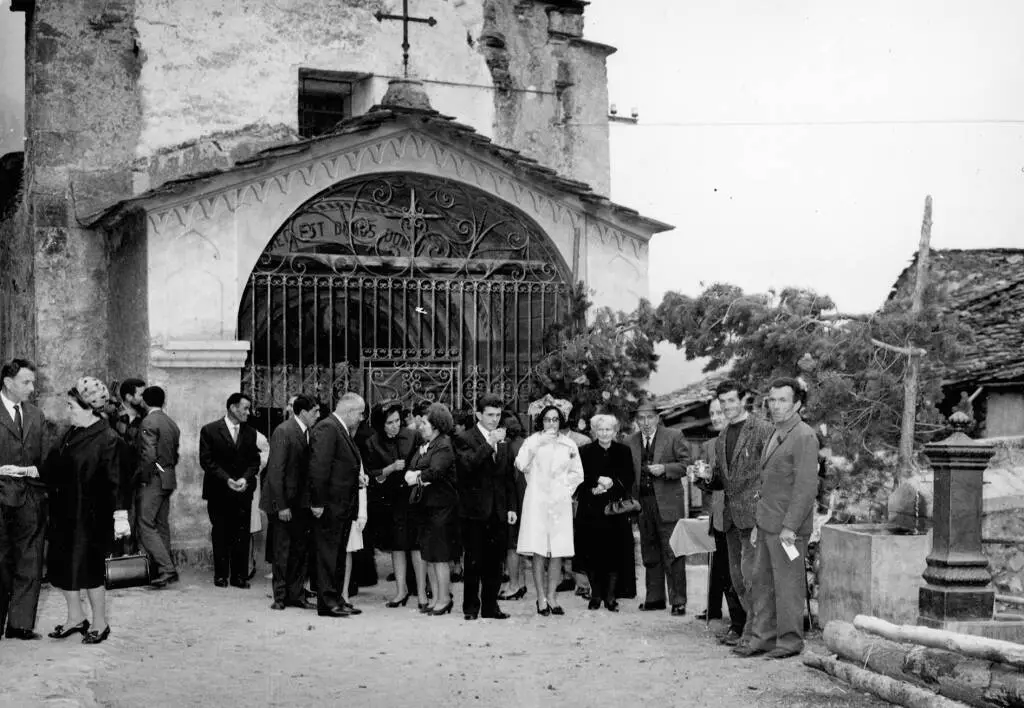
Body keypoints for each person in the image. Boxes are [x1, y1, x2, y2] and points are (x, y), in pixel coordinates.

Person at [734, 378, 819, 660]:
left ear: (797, 403)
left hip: (787, 530)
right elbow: (768, 484)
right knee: (763, 584)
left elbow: (805, 488)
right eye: (772, 399)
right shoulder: (776, 432)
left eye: (783, 400)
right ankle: (765, 638)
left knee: (788, 587)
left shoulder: (804, 436)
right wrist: (759, 524)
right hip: (768, 524)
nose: (776, 405)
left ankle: (790, 642)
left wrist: (790, 527)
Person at [45, 377, 131, 645]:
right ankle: (75, 618)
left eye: (71, 406)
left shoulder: (109, 439)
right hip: (65, 513)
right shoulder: (71, 433)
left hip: (91, 518)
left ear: (89, 408)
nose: (67, 411)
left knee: (90, 572)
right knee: (64, 568)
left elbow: (119, 481)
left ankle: (100, 622)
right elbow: (54, 465)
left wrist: (120, 517)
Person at [696, 379, 773, 647]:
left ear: (744, 398)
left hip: (755, 519)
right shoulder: (722, 436)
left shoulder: (764, 430)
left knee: (754, 580)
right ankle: (752, 632)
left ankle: (758, 636)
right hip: (729, 519)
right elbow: (721, 480)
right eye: (723, 402)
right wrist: (705, 478)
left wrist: (764, 512)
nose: (727, 406)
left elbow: (772, 474)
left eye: (731, 400)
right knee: (739, 581)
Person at [515, 403, 584, 616]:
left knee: (557, 550)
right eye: (547, 419)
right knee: (538, 550)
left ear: (561, 421)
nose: (551, 423)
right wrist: (537, 445)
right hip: (537, 501)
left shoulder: (569, 444)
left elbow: (577, 473)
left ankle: (553, 596)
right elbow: (520, 463)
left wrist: (565, 489)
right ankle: (541, 598)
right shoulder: (532, 441)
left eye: (555, 419)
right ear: (541, 421)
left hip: (559, 503)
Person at [454, 394, 517, 621]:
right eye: (490, 415)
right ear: (479, 415)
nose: (494, 419)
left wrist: (511, 507)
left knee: (495, 562)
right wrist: (489, 443)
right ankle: (471, 608)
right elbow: (468, 466)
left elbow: (507, 477)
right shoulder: (464, 438)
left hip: (498, 510)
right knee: (473, 561)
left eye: (498, 415)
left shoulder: (504, 440)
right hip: (473, 511)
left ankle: (491, 607)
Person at [627, 400, 691, 615]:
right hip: (643, 504)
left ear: (657, 418)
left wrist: (664, 468)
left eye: (649, 417)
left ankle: (678, 600)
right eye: (641, 418)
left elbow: (686, 465)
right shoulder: (630, 441)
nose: (645, 422)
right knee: (649, 552)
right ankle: (654, 598)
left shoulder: (674, 436)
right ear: (636, 420)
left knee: (673, 552)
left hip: (668, 503)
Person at [0, 359, 47, 640]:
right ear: (8, 383)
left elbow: (45, 456)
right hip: (0, 496)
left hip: (30, 497)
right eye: (26, 382)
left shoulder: (35, 415)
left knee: (30, 561)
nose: (32, 388)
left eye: (32, 382)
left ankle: (19, 625)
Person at [308, 392, 366, 618]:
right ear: (350, 411)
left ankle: (337, 599)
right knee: (328, 555)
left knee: (338, 555)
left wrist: (356, 478)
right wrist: (318, 502)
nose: (362, 418)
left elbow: (338, 466)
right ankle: (327, 603)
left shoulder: (338, 428)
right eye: (360, 413)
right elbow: (318, 468)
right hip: (330, 505)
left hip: (341, 505)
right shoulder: (328, 428)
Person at [695, 398, 746, 642]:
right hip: (720, 516)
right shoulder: (712, 444)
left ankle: (743, 624)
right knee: (724, 573)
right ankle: (735, 623)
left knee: (740, 573)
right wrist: (699, 477)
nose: (716, 417)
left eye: (720, 412)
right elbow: (712, 483)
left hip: (741, 516)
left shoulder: (744, 440)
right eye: (712, 413)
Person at [364, 401, 425, 607]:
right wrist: (388, 469)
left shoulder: (412, 436)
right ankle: (401, 591)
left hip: (413, 499)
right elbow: (370, 475)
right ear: (381, 424)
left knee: (416, 546)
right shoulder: (372, 443)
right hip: (389, 502)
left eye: (398, 420)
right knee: (397, 547)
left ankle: (422, 592)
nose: (395, 425)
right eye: (389, 422)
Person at [199, 393, 261, 589]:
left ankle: (239, 576)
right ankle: (221, 575)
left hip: (243, 491)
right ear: (233, 408)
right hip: (219, 491)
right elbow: (207, 461)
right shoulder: (209, 430)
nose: (248, 412)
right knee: (221, 533)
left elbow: (255, 461)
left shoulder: (251, 433)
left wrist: (244, 478)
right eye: (245, 408)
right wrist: (227, 480)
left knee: (241, 534)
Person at [263, 394, 319, 611]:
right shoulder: (284, 431)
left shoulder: (308, 433)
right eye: (314, 411)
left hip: (301, 503)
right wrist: (282, 506)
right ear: (303, 412)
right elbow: (276, 472)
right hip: (285, 503)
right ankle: (279, 596)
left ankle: (296, 594)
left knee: (299, 551)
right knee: (282, 550)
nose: (317, 415)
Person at [576, 413, 636, 612]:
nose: (604, 433)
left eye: (608, 429)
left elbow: (628, 477)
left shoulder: (623, 451)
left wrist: (611, 485)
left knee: (614, 554)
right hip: (591, 509)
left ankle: (610, 596)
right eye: (600, 429)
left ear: (615, 431)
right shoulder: (584, 451)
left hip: (614, 510)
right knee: (592, 553)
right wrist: (594, 485)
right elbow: (579, 476)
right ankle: (595, 595)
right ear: (594, 431)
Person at [404, 403, 459, 616]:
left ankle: (444, 599)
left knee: (440, 556)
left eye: (425, 423)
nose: (421, 427)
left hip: (441, 507)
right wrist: (415, 474)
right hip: (428, 506)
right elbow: (413, 465)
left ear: (436, 425)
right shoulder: (427, 445)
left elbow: (435, 471)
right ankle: (436, 597)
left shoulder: (443, 445)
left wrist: (416, 476)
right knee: (431, 554)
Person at [134, 386, 181, 588]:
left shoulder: (148, 421)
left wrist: (144, 477)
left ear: (145, 401)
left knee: (145, 523)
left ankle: (167, 568)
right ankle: (164, 568)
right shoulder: (171, 422)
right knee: (161, 524)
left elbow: (149, 455)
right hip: (168, 477)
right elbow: (175, 453)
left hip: (153, 478)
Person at [498, 410, 529, 601]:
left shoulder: (508, 447)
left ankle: (514, 585)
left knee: (511, 546)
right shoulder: (523, 444)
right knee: (520, 544)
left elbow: (507, 477)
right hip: (525, 498)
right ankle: (521, 583)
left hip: (513, 501)